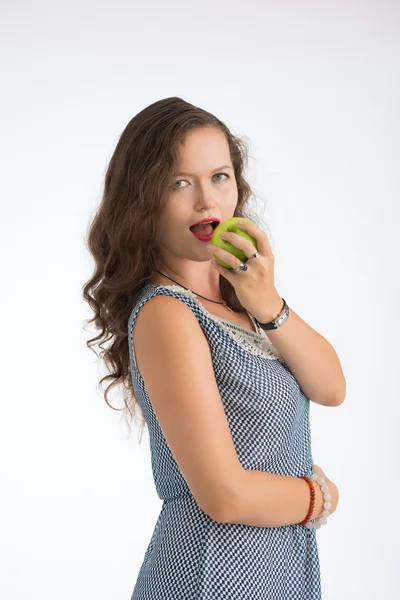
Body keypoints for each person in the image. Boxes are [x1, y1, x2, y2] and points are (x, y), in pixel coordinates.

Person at [83, 97, 344, 599]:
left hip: (275, 569)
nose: (207, 202)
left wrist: (266, 301)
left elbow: (331, 387)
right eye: (179, 183)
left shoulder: (242, 305)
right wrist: (319, 497)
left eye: (219, 177)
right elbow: (225, 496)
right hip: (211, 572)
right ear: (142, 199)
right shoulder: (166, 313)